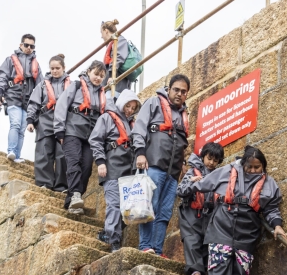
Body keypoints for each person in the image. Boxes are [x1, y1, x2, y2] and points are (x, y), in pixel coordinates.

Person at [189, 145, 286, 275]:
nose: (253, 170)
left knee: (241, 269)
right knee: (219, 263)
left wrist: (277, 226)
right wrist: (192, 183)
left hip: (248, 228)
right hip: (223, 221)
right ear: (243, 164)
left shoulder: (269, 184)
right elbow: (204, 183)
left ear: (263, 166)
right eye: (250, 166)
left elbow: (271, 209)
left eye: (257, 167)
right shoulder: (228, 171)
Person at [132, 74, 191, 256]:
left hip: (172, 172)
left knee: (165, 212)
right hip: (154, 165)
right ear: (169, 89)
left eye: (183, 92)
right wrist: (140, 153)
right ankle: (145, 246)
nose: (179, 94)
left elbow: (180, 141)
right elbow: (139, 129)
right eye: (176, 90)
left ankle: (157, 249)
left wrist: (183, 165)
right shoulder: (154, 102)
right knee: (149, 206)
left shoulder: (183, 114)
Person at [89, 89, 141, 252]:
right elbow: (95, 140)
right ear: (122, 103)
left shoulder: (133, 124)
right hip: (111, 167)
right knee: (114, 204)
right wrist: (100, 162)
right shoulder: (107, 118)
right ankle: (114, 241)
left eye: (133, 108)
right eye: (128, 106)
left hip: (129, 171)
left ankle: (108, 232)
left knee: (129, 209)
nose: (130, 110)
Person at [54, 60, 108, 213]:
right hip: (72, 130)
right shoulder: (76, 86)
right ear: (89, 71)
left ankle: (72, 199)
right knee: (74, 161)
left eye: (101, 76)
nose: (98, 78)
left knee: (87, 167)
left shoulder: (103, 94)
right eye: (96, 74)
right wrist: (59, 130)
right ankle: (76, 196)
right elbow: (61, 105)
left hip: (90, 135)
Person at [177, 142, 225, 275]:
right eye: (209, 158)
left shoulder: (218, 176)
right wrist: (192, 183)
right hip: (191, 213)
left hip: (208, 214)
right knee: (192, 240)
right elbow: (180, 190)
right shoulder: (192, 172)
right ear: (203, 156)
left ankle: (204, 272)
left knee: (207, 242)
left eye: (215, 160)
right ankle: (195, 272)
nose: (211, 163)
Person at [26, 54, 70, 192]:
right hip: (45, 121)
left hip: (64, 123)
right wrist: (30, 120)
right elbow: (33, 103)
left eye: (57, 68)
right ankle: (44, 183)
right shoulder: (42, 85)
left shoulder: (71, 85)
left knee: (62, 154)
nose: (55, 71)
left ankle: (61, 186)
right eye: (52, 68)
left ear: (63, 68)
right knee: (44, 152)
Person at [0, 34, 43, 163]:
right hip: (13, 97)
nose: (29, 48)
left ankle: (16, 156)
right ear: (21, 45)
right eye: (26, 45)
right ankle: (11, 151)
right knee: (15, 124)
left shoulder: (36, 65)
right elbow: (3, 76)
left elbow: (41, 85)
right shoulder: (10, 60)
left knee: (22, 130)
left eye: (31, 46)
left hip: (27, 101)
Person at [101, 20, 133, 94]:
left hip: (118, 86)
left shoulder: (119, 40)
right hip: (110, 84)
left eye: (101, 33)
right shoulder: (112, 43)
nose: (101, 36)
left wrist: (112, 76)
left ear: (106, 31)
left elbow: (118, 58)